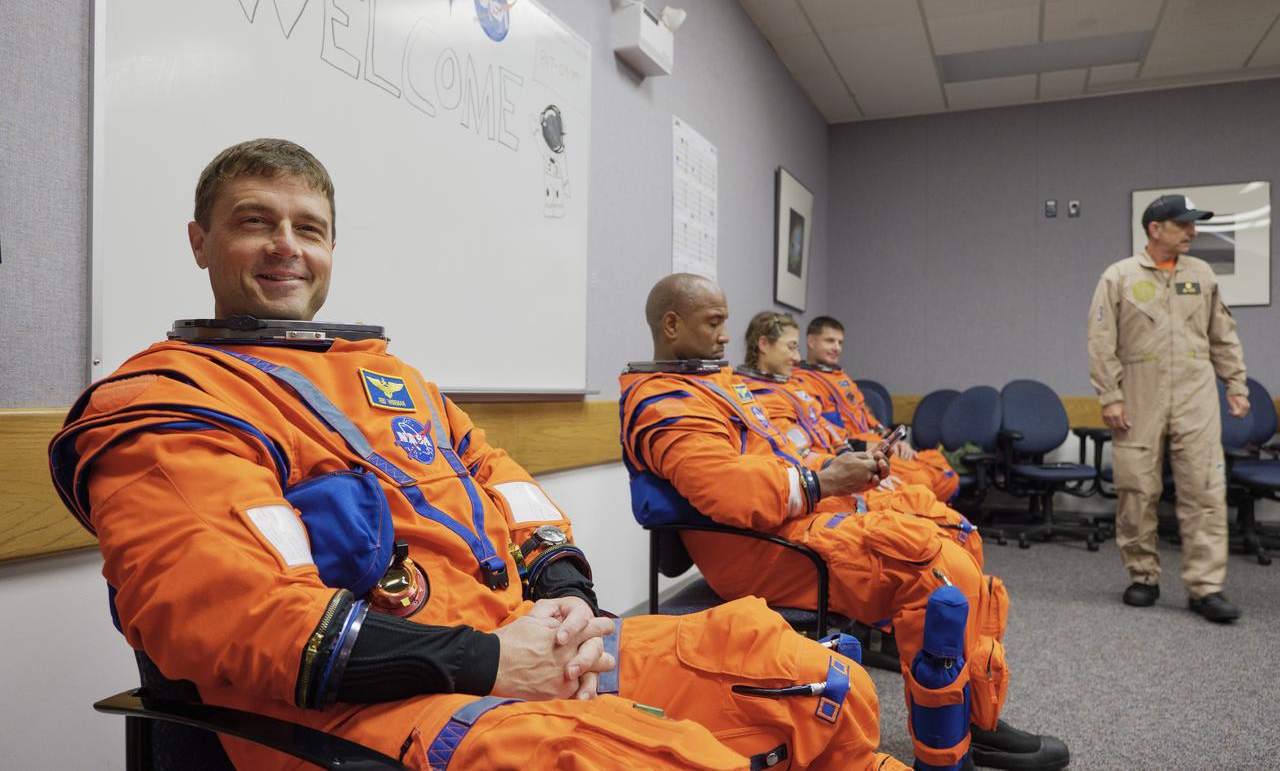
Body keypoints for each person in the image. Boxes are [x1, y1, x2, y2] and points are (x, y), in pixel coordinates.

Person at [49, 139, 907, 770]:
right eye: (253, 223)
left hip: (515, 647)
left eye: (308, 227)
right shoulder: (165, 403)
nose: (286, 246)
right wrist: (493, 662)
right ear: (199, 242)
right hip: (359, 712)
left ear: (332, 249)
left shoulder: (394, 381)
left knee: (810, 679)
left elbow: (511, 490)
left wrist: (567, 596)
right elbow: (242, 620)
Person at [621, 273, 1071, 771]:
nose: (728, 335)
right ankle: (947, 753)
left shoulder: (710, 386)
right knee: (935, 569)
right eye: (715, 322)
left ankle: (976, 717)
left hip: (793, 516)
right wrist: (824, 483)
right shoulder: (662, 401)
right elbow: (728, 491)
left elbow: (782, 452)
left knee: (954, 532)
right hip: (755, 544)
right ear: (670, 324)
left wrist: (837, 475)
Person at [1087, 193, 1249, 623]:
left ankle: (1205, 588)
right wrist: (1111, 395)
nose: (1192, 232)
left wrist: (1236, 384)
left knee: (1205, 489)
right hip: (1140, 392)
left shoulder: (1203, 274)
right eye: (1183, 224)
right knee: (1136, 487)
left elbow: (1223, 335)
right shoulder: (1118, 277)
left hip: (1195, 392)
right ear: (1155, 229)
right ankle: (1143, 576)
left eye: (1193, 224)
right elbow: (1101, 344)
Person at [733, 310, 982, 566]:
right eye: (791, 347)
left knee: (937, 500)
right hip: (823, 481)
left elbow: (829, 433)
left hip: (838, 466)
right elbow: (790, 455)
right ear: (764, 344)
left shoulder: (793, 387)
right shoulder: (753, 394)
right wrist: (843, 469)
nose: (797, 357)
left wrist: (852, 457)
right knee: (927, 514)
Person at [793, 317, 960, 504]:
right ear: (811, 341)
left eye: (840, 342)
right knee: (920, 483)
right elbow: (822, 434)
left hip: (877, 441)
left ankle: (935, 517)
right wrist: (865, 447)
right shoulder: (800, 383)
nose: (837, 348)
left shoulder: (842, 378)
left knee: (946, 474)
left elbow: (868, 418)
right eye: (830, 341)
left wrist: (894, 440)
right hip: (855, 450)